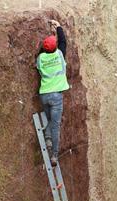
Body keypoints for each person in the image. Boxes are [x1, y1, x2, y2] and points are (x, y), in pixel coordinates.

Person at [37, 19, 70, 166]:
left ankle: (48, 139)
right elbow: (63, 43)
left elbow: (42, 52)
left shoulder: (41, 58)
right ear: (55, 48)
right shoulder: (60, 55)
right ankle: (54, 155)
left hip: (44, 95)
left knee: (51, 120)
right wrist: (58, 28)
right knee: (55, 125)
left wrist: (47, 44)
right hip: (56, 96)